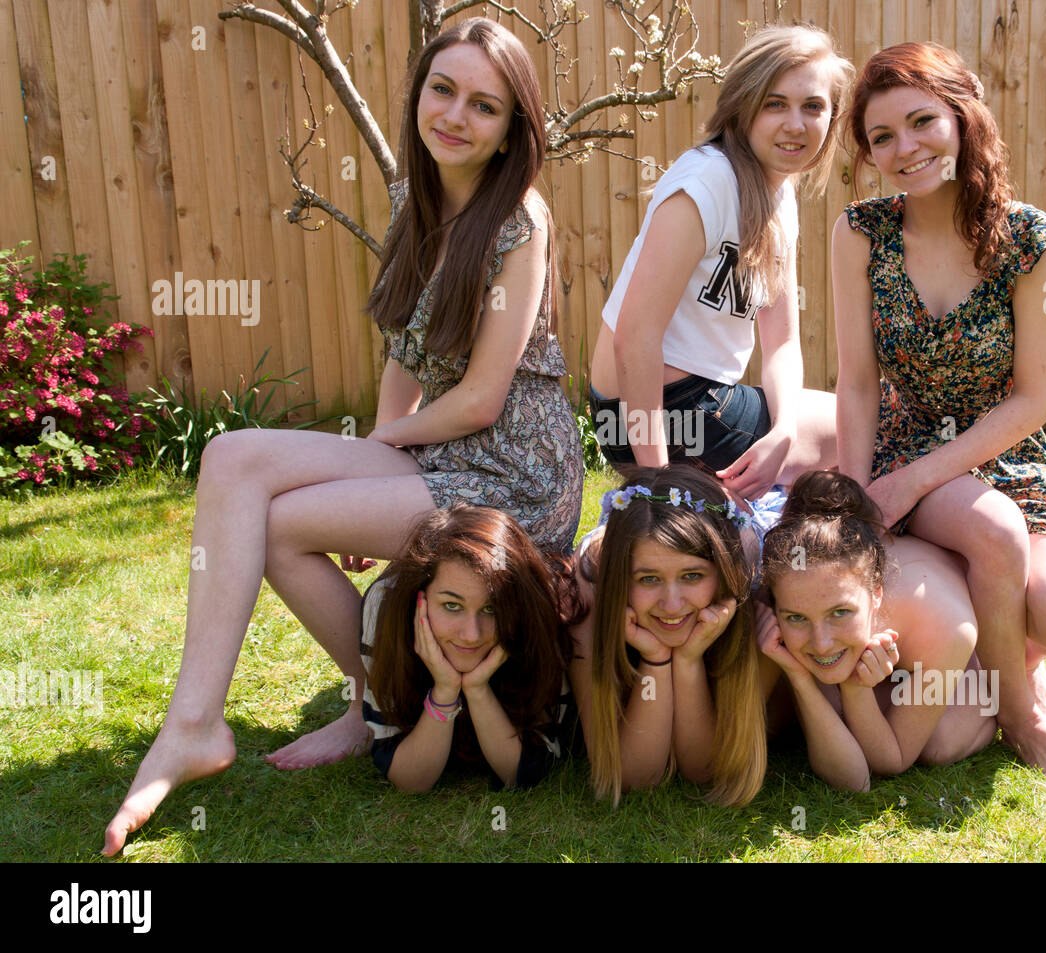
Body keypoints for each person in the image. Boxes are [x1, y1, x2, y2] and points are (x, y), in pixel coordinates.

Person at [102, 18, 582, 855]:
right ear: (419, 94)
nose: (457, 117)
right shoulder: (415, 192)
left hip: (517, 470)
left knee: (280, 522)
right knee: (231, 458)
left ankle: (371, 707)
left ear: (513, 130)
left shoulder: (521, 222)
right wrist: (378, 449)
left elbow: (479, 399)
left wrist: (386, 451)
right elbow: (402, 349)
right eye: (443, 91)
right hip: (443, 445)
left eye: (485, 105)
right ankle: (208, 718)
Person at [831, 41, 1046, 786]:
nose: (904, 148)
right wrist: (862, 502)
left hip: (1006, 446)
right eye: (882, 136)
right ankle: (1023, 719)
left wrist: (919, 481)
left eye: (922, 121)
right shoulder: (860, 234)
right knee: (991, 530)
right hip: (905, 439)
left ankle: (1001, 654)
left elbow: (1033, 400)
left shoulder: (1029, 241)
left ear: (963, 116)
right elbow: (856, 382)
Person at [587, 24, 853, 500]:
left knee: (810, 431)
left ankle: (731, 502)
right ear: (742, 105)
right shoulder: (707, 181)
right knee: (859, 426)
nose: (795, 124)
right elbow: (637, 335)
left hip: (674, 413)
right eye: (775, 103)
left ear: (831, 119)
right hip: (649, 415)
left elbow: (783, 340)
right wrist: (660, 485)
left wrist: (784, 432)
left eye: (812, 106)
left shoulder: (778, 193)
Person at [757, 471, 995, 792]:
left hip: (953, 658)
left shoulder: (942, 627)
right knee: (791, 708)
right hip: (883, 660)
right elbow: (851, 778)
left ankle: (993, 699)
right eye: (796, 618)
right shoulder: (797, 588)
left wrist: (856, 690)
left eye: (840, 613)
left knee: (941, 742)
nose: (821, 642)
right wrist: (802, 679)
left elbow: (892, 760)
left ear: (877, 595)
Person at [568, 466, 767, 806]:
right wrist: (656, 659)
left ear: (721, 574)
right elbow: (633, 775)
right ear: (619, 579)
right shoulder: (589, 588)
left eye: (692, 576)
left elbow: (704, 770)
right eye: (648, 579)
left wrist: (688, 661)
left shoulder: (753, 585)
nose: (672, 604)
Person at [360, 506, 574, 791]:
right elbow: (410, 779)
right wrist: (445, 691)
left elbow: (523, 773)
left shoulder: (538, 612)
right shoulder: (385, 607)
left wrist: (477, 688)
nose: (471, 635)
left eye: (491, 608)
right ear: (419, 599)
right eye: (452, 606)